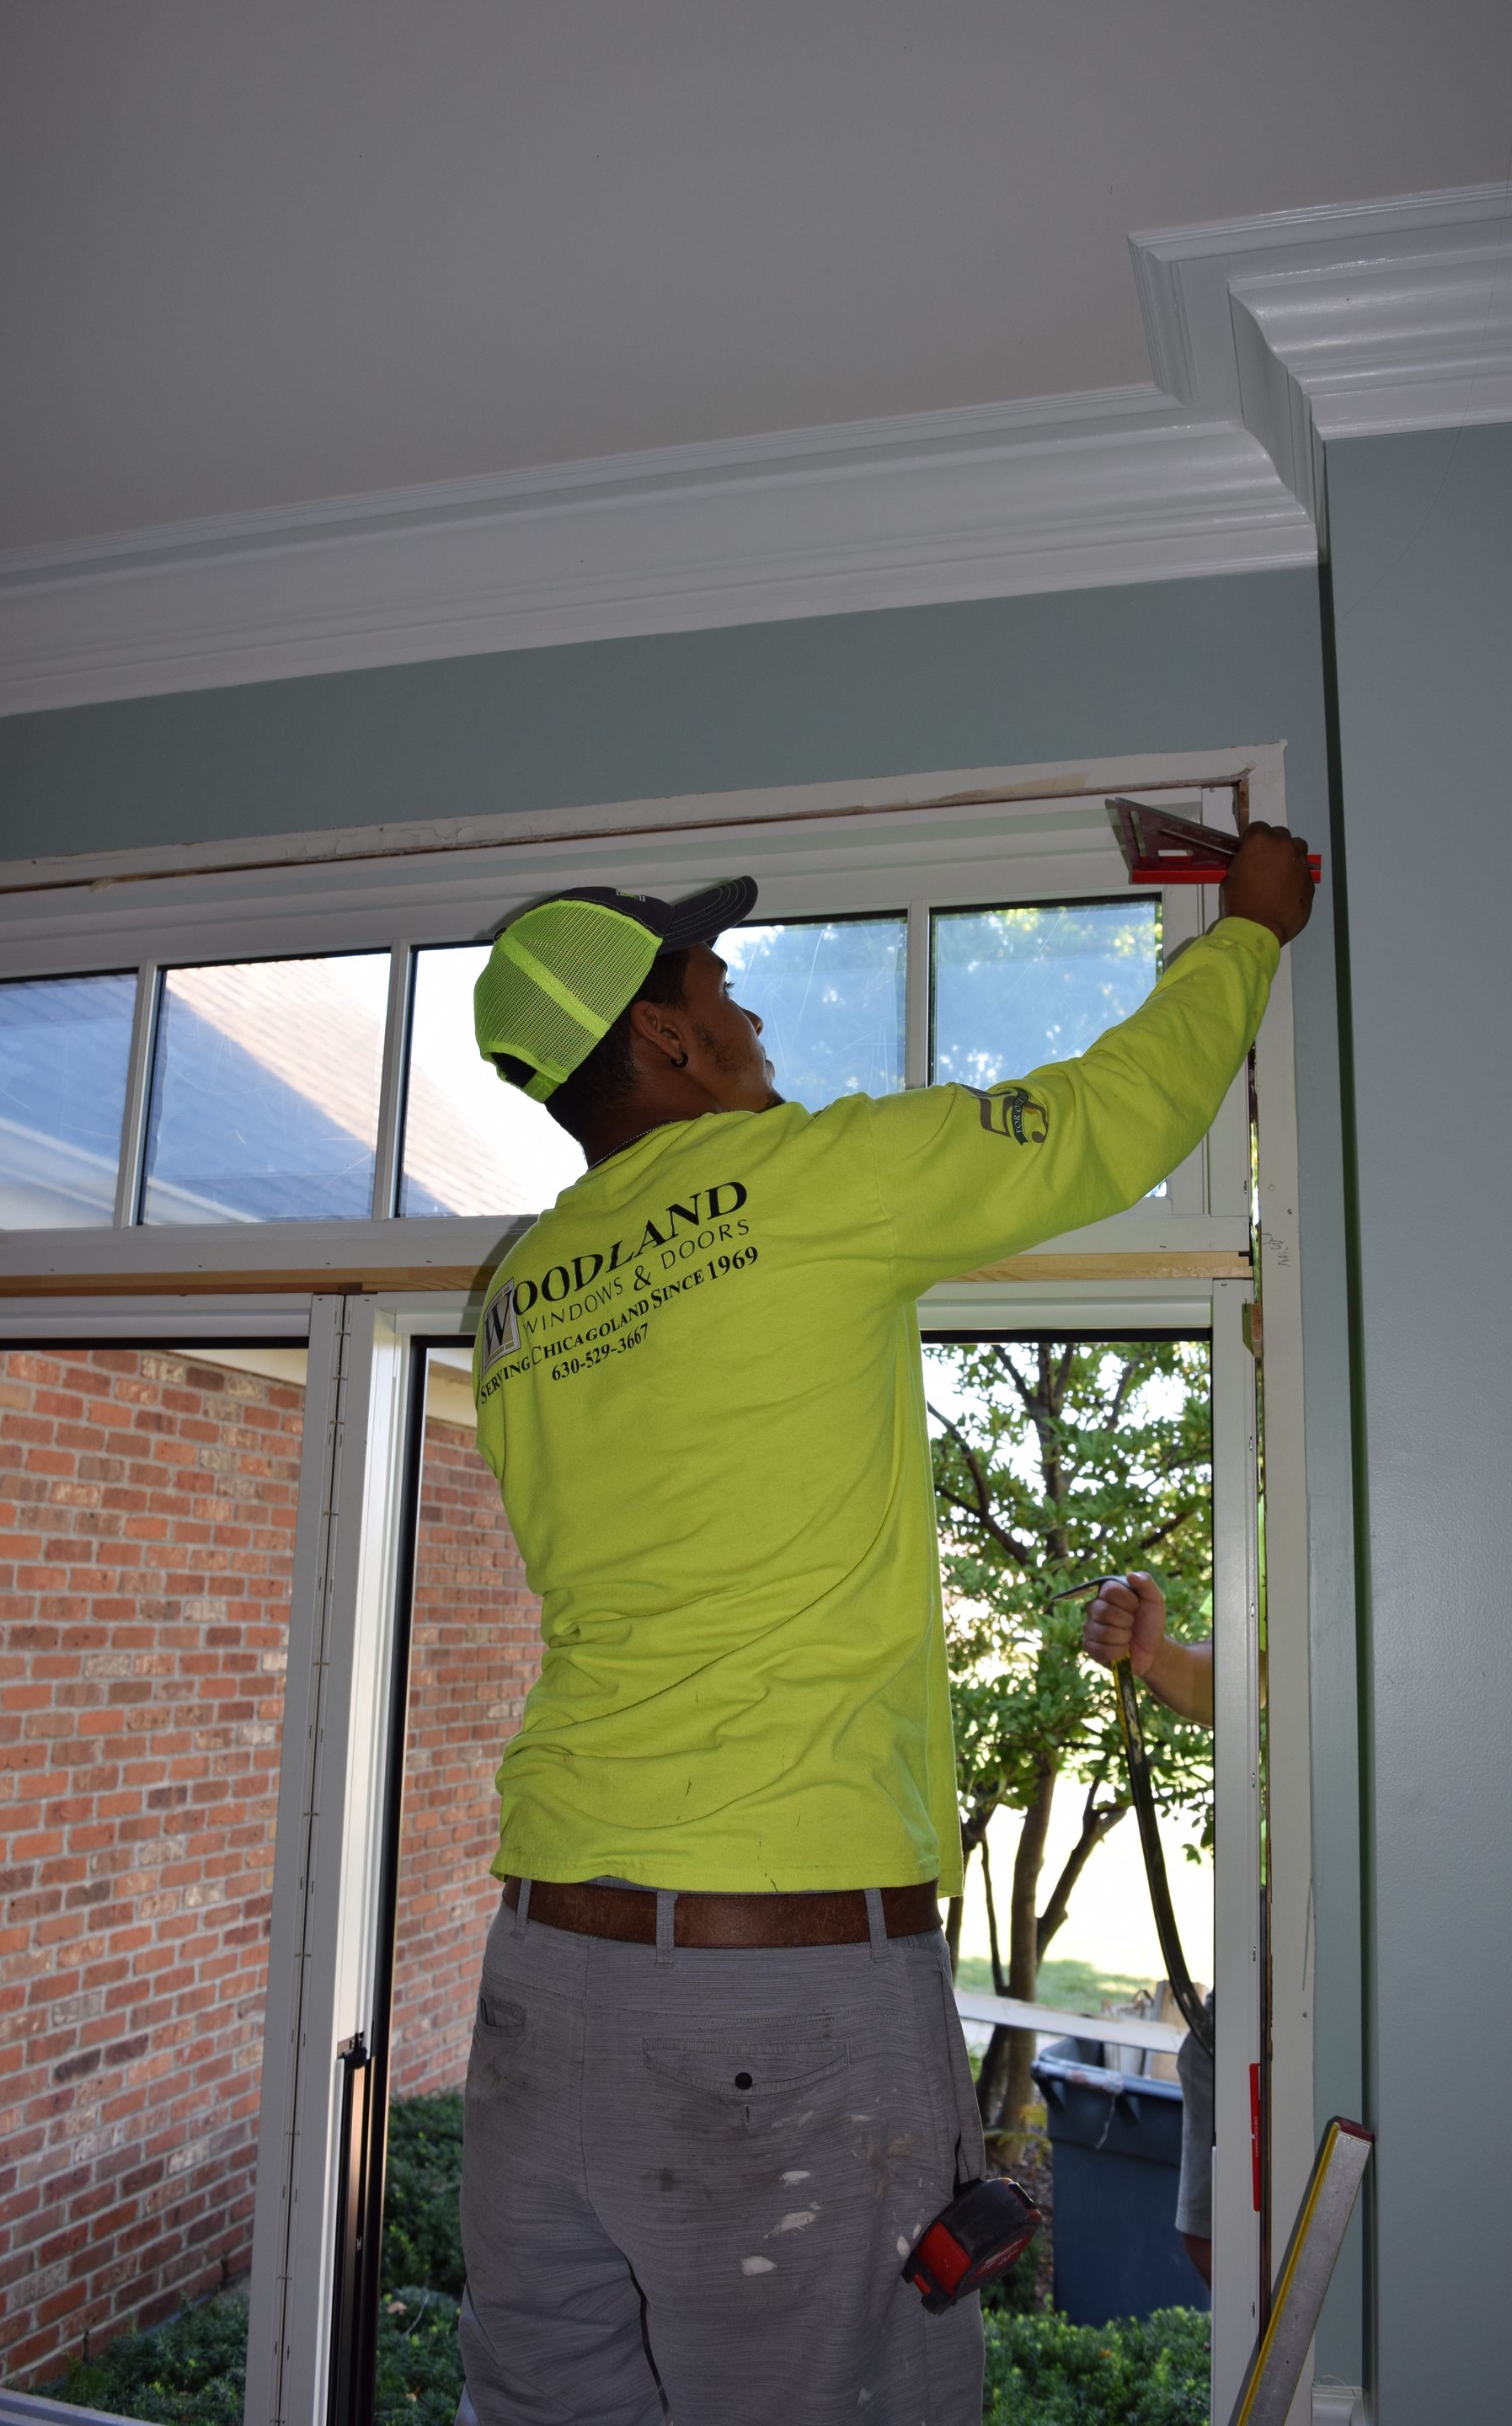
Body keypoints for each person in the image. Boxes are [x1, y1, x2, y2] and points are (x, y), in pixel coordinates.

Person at [458, 827, 1312, 2425]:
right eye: (718, 979)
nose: (748, 1005)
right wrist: (1246, 939)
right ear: (661, 1033)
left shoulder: (518, 1295)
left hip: (543, 1991)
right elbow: (1098, 1125)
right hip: (764, 2008)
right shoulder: (789, 1182)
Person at [1081, 1570, 1215, 2287]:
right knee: (1218, 2236)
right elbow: (1245, 1678)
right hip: (1280, 1936)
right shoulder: (1294, 1547)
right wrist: (1153, 1656)